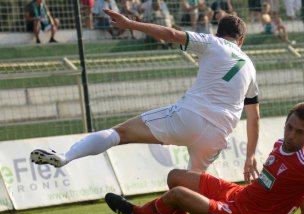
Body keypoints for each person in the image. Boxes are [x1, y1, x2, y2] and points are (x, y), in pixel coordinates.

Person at [30, 11, 260, 182]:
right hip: (219, 134)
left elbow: (171, 34)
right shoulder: (250, 66)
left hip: (191, 116)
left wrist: (131, 24)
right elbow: (254, 117)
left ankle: (66, 156)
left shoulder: (213, 42)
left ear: (218, 33)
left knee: (119, 133)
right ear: (241, 40)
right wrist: (250, 156)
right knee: (191, 181)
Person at [105, 102, 304, 214]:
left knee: (178, 194)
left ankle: (136, 213)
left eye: (299, 132)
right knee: (175, 177)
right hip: (238, 195)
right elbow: (295, 184)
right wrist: (303, 210)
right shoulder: (280, 145)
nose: (291, 135)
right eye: (289, 127)